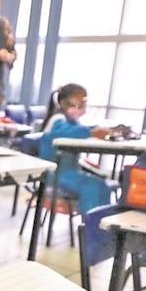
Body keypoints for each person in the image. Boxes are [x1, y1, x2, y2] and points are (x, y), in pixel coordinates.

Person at [37, 83, 120, 217]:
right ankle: (89, 228)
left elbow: (77, 130)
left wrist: (96, 130)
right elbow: (66, 132)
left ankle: (102, 228)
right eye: (80, 104)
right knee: (90, 187)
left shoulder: (73, 121)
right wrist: (92, 133)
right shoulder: (57, 119)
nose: (83, 108)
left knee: (102, 186)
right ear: (64, 104)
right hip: (54, 172)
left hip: (70, 172)